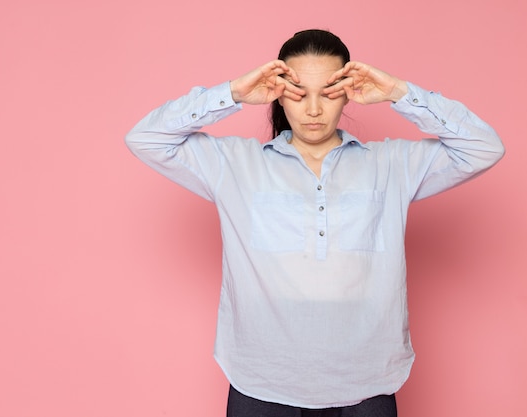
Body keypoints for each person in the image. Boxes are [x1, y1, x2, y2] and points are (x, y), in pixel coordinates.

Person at [124, 29, 504, 417]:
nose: (314, 109)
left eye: (328, 91)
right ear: (278, 91)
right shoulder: (234, 164)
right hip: (262, 381)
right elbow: (146, 139)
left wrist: (398, 93)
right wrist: (233, 93)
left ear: (349, 89)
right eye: (299, 92)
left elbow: (484, 146)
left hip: (366, 381)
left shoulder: (391, 164)